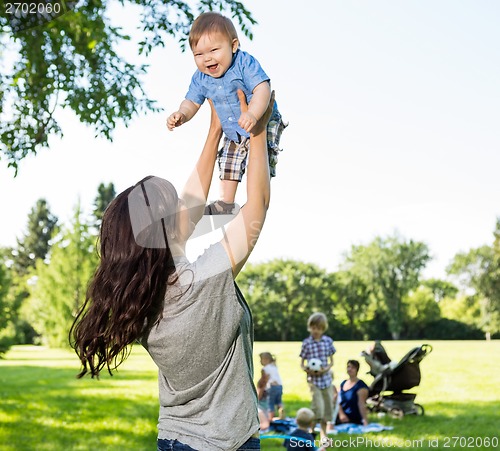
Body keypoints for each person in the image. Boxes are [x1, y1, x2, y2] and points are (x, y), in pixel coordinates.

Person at [70, 91, 276, 451]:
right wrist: (257, 131)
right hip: (225, 444)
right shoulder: (204, 282)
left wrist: (214, 132)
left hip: (173, 439)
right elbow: (256, 206)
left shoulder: (142, 298)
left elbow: (190, 209)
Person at [167, 12, 286, 215]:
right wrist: (182, 114)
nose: (207, 58)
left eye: (214, 50)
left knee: (260, 161)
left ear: (233, 46)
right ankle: (226, 203)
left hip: (263, 121)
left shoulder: (244, 63)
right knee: (228, 163)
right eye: (199, 54)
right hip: (233, 132)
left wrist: (254, 115)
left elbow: (263, 88)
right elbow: (192, 101)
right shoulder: (200, 78)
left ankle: (256, 201)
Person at [299, 312, 336, 442]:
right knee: (317, 409)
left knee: (327, 409)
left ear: (323, 329)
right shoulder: (307, 343)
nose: (316, 331)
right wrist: (309, 371)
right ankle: (311, 432)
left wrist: (325, 369)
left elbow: (331, 361)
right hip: (313, 381)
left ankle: (323, 435)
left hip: (326, 381)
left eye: (319, 328)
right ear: (310, 327)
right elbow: (302, 364)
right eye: (314, 328)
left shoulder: (328, 341)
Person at [336, 360, 370, 426]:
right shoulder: (343, 383)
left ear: (357, 370)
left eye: (352, 368)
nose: (350, 369)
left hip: (353, 416)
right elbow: (337, 400)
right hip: (342, 414)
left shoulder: (361, 386)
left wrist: (365, 420)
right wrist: (341, 413)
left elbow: (362, 404)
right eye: (348, 367)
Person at [259, 352, 285, 421]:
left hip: (271, 387)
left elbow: (264, 381)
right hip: (279, 386)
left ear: (266, 360)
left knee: (270, 403)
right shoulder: (274, 366)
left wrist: (261, 390)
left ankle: (270, 418)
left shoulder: (264, 369)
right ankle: (282, 413)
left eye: (261, 359)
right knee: (279, 401)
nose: (260, 362)